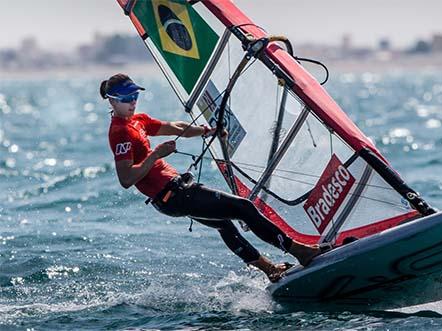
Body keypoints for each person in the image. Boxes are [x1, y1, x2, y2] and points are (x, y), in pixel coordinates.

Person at [100, 73, 322, 282]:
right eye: (127, 98)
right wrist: (156, 155)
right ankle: (299, 251)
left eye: (135, 96)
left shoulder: (137, 121)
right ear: (112, 101)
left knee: (224, 225)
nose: (133, 102)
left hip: (176, 191)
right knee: (243, 207)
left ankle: (270, 270)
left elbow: (177, 127)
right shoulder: (120, 132)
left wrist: (207, 131)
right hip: (173, 196)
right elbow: (126, 179)